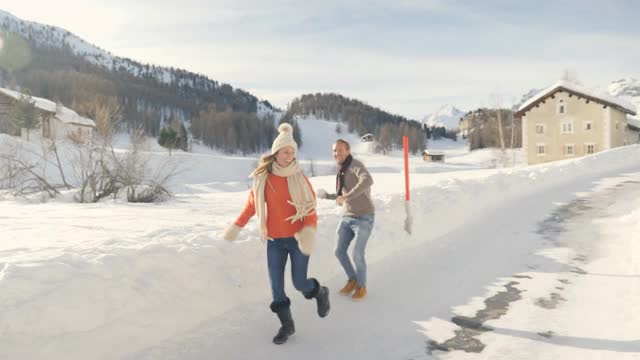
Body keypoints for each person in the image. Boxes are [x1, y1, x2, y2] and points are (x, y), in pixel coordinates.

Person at [223, 123, 330, 345]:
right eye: (285, 151)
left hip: (298, 240)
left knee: (300, 282)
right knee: (276, 288)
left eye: (292, 152)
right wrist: (237, 226)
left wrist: (309, 231)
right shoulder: (263, 179)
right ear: (275, 153)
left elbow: (310, 209)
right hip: (274, 241)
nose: (289, 156)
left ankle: (320, 292)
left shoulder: (300, 178)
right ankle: (287, 325)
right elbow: (252, 206)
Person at [317, 139, 374, 301]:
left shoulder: (355, 164)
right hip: (348, 217)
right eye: (335, 150)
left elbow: (367, 180)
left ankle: (361, 286)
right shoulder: (341, 171)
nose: (337, 153)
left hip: (364, 217)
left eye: (340, 150)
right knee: (339, 251)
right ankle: (353, 279)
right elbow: (342, 196)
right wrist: (327, 196)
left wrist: (347, 196)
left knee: (357, 253)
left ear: (348, 151)